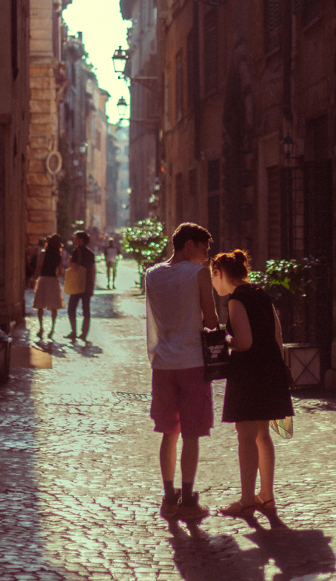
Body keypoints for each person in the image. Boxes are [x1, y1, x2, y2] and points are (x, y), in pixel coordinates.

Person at [211, 250, 294, 517]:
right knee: (263, 436)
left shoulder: (236, 300)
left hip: (249, 375)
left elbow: (244, 342)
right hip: (270, 371)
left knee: (245, 438)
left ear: (219, 273)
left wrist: (225, 339)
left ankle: (247, 500)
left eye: (213, 278)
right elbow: (277, 335)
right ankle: (266, 497)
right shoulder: (261, 293)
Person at [146, 222, 218, 520]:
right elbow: (212, 320)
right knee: (190, 433)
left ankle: (168, 497)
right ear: (189, 245)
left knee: (168, 432)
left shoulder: (151, 274)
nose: (206, 258)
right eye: (204, 250)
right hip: (191, 361)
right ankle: (188, 499)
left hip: (163, 363)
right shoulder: (197, 274)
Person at [32, 234, 65, 339]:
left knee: (40, 304)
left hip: (44, 279)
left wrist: (33, 278)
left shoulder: (43, 254)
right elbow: (60, 271)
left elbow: (39, 266)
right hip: (53, 280)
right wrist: (56, 279)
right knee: (54, 306)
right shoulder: (59, 256)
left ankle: (41, 329)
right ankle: (52, 330)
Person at [65, 230, 96, 344]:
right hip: (87, 284)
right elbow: (93, 270)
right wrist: (92, 285)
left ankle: (73, 331)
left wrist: (69, 262)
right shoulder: (91, 253)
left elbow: (73, 266)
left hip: (77, 284)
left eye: (76, 238)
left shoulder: (76, 251)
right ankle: (84, 333)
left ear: (81, 240)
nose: (74, 240)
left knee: (71, 308)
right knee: (86, 310)